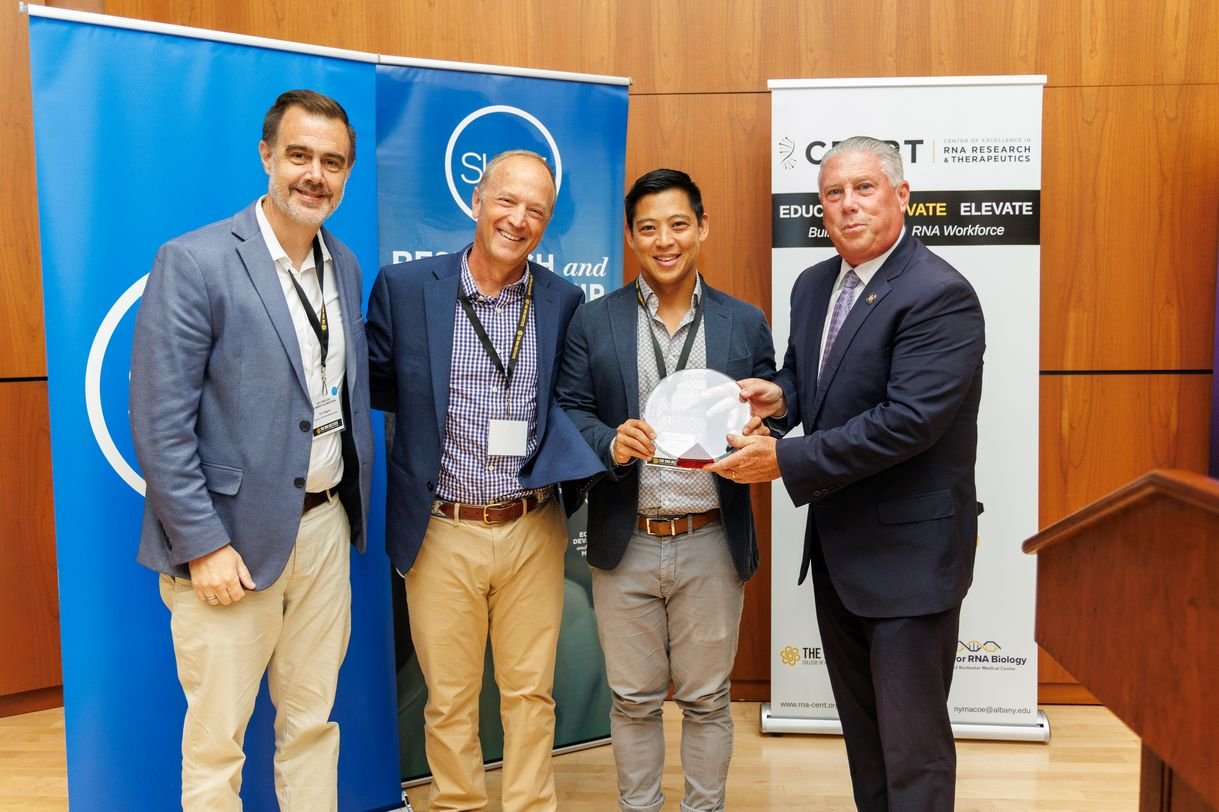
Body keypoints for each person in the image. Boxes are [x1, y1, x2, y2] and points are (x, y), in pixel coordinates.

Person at [708, 136, 986, 811]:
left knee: (913, 752)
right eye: (833, 193)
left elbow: (907, 422)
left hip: (910, 560)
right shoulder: (813, 285)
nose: (848, 205)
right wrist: (780, 398)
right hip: (839, 553)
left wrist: (784, 459)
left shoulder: (938, 294)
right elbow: (814, 379)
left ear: (901, 196)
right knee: (866, 742)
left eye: (864, 188)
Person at [129, 89, 372, 810]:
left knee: (312, 724)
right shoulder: (195, 260)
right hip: (229, 543)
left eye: (332, 162)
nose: (315, 175)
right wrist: (202, 545)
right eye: (299, 155)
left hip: (323, 531)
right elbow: (160, 422)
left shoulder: (344, 264)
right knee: (216, 745)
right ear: (266, 156)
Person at [366, 149, 604, 811]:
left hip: (532, 524)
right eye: (507, 200)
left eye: (536, 210)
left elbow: (572, 401)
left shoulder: (561, 300)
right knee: (449, 698)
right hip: (443, 527)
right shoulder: (405, 289)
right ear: (476, 200)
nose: (518, 219)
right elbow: (376, 384)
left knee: (530, 694)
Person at [556, 168, 776, 812]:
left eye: (679, 224)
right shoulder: (594, 320)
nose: (665, 240)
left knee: (707, 700)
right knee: (632, 700)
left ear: (702, 227)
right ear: (630, 236)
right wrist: (609, 442)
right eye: (648, 228)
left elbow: (772, 406)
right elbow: (570, 410)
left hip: (711, 537)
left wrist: (763, 426)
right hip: (627, 539)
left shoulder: (743, 322)